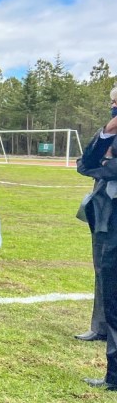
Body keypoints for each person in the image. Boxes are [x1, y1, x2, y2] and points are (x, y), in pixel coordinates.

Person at [79, 110, 117, 391]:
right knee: (112, 297)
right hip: (110, 223)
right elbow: (85, 164)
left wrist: (107, 165)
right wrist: (107, 131)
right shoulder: (111, 134)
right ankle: (114, 376)